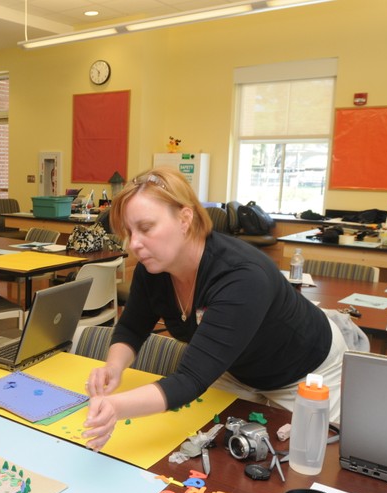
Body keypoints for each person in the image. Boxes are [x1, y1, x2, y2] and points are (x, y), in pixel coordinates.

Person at [82, 167, 347, 451]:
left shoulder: (241, 275)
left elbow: (190, 379)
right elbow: (132, 327)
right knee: (211, 447)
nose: (134, 244)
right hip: (234, 367)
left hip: (304, 372)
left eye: (146, 228)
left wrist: (115, 407)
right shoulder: (155, 266)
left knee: (307, 460)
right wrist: (114, 366)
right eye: (129, 232)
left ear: (185, 218)